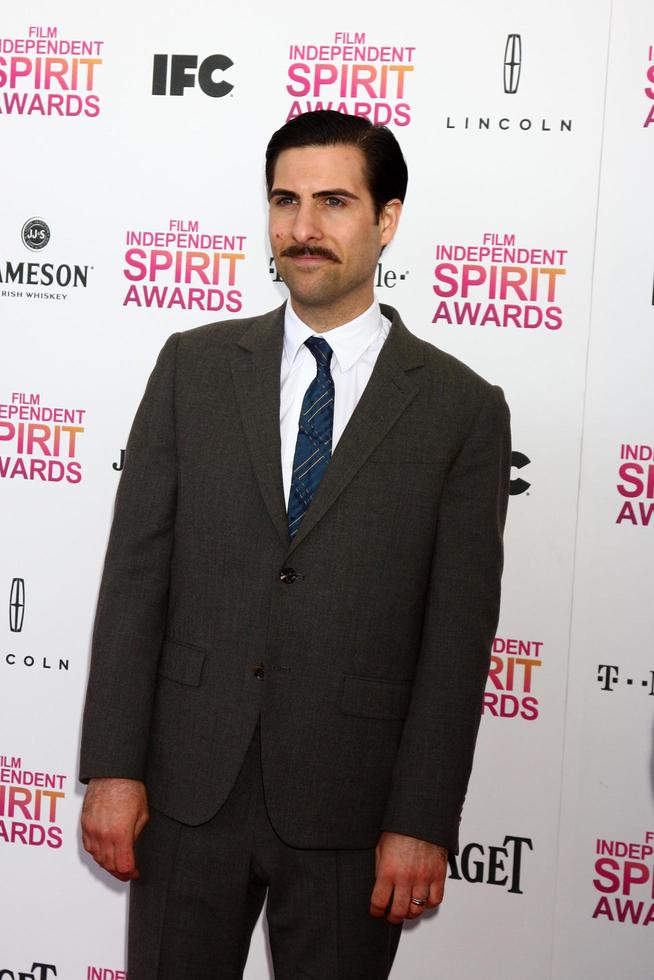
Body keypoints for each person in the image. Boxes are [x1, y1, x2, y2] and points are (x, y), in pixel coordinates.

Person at [79, 109, 511, 979]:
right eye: (285, 200)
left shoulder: (462, 410)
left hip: (353, 811)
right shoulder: (190, 368)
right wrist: (113, 769)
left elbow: (457, 636)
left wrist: (422, 818)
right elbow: (135, 580)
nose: (303, 229)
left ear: (387, 220)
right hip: (186, 793)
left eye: (334, 202)